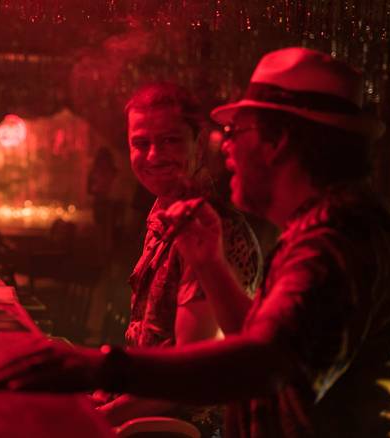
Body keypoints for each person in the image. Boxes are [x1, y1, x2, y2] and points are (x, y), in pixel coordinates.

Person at [0, 47, 390, 438]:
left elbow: (263, 364)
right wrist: (211, 265)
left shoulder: (335, 237)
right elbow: (263, 340)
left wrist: (100, 366)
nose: (226, 146)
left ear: (278, 141)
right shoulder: (323, 226)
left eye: (236, 131)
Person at [92, 83, 262, 434]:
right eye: (141, 143)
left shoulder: (211, 226)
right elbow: (156, 348)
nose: (154, 155)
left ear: (198, 144)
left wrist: (96, 419)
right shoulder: (164, 213)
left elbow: (188, 377)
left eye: (170, 140)